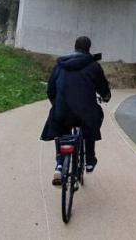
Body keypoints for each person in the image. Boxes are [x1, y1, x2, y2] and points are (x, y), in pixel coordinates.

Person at [40, 36, 111, 186]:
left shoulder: (60, 64)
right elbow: (103, 87)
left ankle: (59, 164)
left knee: (60, 126)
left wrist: (56, 104)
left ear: (74, 47)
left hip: (63, 111)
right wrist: (106, 96)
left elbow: (51, 89)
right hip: (85, 112)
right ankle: (90, 160)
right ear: (89, 48)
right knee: (92, 120)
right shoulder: (93, 66)